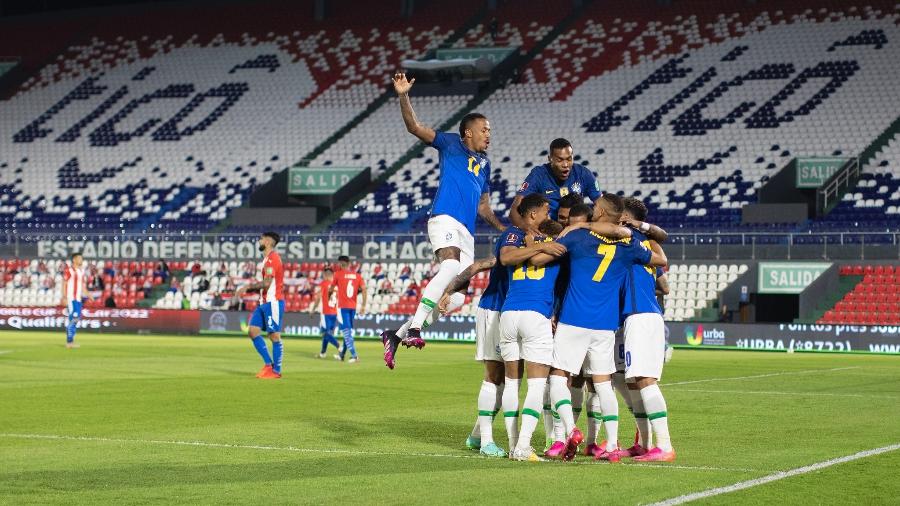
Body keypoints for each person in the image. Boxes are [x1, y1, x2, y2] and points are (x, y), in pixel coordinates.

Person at [531, 193, 665, 462]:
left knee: (559, 377)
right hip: (605, 324)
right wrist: (624, 230)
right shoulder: (629, 245)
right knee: (604, 384)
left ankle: (570, 431)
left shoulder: (577, 237)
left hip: (573, 319)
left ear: (602, 213)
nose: (592, 210)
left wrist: (574, 229)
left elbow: (540, 259)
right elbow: (660, 261)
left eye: (596, 208)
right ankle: (613, 445)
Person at [383, 72, 504, 364]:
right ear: (468, 133)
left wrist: (505, 229)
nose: (489, 134)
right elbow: (414, 127)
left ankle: (395, 335)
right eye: (484, 129)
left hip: (466, 232)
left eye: (489, 130)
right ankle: (414, 327)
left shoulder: (485, 164)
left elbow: (484, 207)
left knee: (460, 296)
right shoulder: (450, 144)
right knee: (450, 267)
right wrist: (403, 95)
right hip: (444, 218)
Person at [497, 194, 567, 462]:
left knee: (512, 384)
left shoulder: (516, 239)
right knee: (537, 385)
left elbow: (509, 258)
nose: (550, 214)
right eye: (547, 210)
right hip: (536, 315)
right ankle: (523, 446)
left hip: (509, 313)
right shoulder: (555, 249)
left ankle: (513, 443)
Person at [617, 196, 677, 463]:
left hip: (642, 315)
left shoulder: (633, 242)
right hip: (636, 315)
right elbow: (663, 282)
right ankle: (644, 443)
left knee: (644, 380)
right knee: (633, 382)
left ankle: (664, 446)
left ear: (625, 218)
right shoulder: (644, 243)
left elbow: (661, 242)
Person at [508, 138, 602, 229]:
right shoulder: (539, 175)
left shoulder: (583, 173)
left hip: (577, 229)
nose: (565, 165)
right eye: (560, 160)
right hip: (548, 231)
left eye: (569, 159)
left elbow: (603, 206)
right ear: (550, 159)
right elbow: (514, 210)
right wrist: (528, 230)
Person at [234, 231, 285, 379]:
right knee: (253, 331)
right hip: (263, 302)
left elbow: (268, 283)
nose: (259, 241)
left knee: (274, 336)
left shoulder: (272, 259)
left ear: (268, 242)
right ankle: (268, 365)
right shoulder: (267, 260)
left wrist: (247, 287)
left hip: (273, 302)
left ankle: (276, 371)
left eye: (261, 239)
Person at [332, 255, 366, 363]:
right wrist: (364, 305)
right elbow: (364, 290)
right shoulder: (357, 276)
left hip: (343, 307)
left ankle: (354, 355)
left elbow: (331, 288)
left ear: (341, 263)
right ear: (349, 263)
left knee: (346, 332)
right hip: (353, 307)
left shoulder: (337, 274)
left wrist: (329, 295)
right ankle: (342, 355)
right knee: (348, 331)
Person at [60, 252, 93, 349]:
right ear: (74, 259)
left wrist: (88, 294)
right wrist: (64, 297)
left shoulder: (81, 272)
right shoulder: (69, 270)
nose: (81, 260)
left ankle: (71, 341)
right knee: (73, 318)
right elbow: (64, 283)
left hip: (78, 299)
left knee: (76, 318)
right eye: (79, 258)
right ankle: (69, 342)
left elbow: (82, 286)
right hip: (71, 298)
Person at [310, 267, 342, 358]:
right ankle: (323, 353)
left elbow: (318, 297)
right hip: (334, 313)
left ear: (325, 275)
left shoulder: (324, 284)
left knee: (325, 333)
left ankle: (339, 346)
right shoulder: (336, 286)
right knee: (328, 333)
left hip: (326, 313)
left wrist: (313, 309)